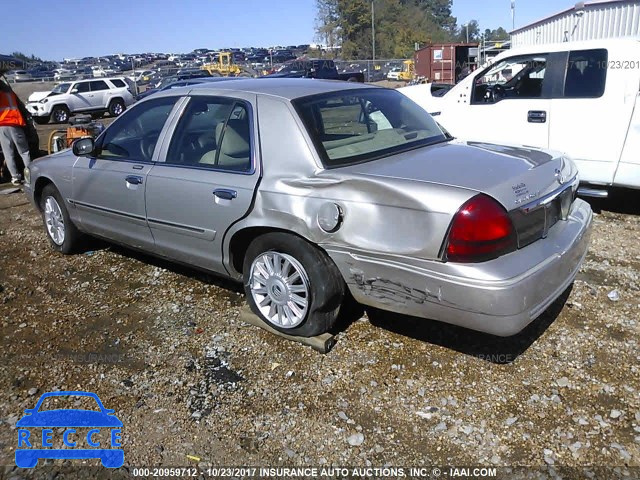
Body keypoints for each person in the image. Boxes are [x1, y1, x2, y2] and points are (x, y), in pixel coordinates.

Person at [0, 79, 31, 185]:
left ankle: (15, 177)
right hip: (16, 123)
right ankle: (29, 175)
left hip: (3, 125)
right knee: (24, 152)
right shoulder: (10, 93)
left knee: (8, 153)